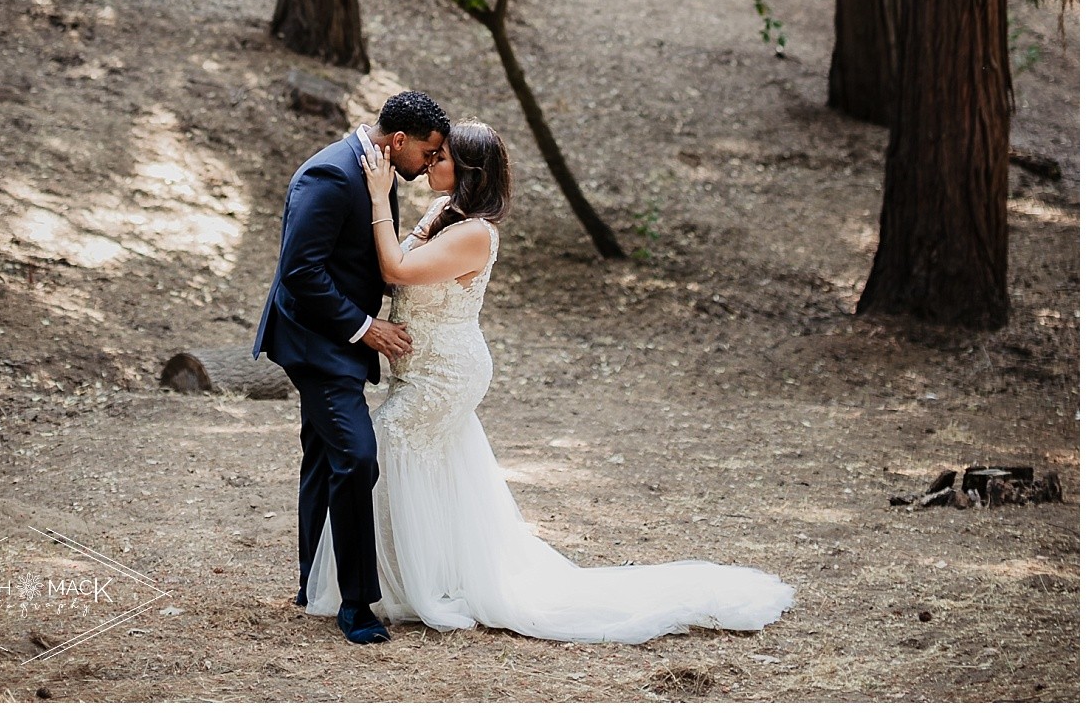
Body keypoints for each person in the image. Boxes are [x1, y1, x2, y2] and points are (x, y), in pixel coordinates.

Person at [299, 120, 794, 642]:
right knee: (426, 467)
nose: (429, 164)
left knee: (384, 447)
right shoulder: (446, 215)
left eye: (440, 157)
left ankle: (397, 586)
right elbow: (401, 259)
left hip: (445, 374)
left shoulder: (474, 232)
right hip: (420, 368)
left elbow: (396, 270)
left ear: (466, 170)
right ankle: (420, 577)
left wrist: (379, 196)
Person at [254, 89, 449, 644]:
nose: (430, 165)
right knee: (358, 457)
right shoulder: (331, 175)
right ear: (400, 140)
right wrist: (366, 329)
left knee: (322, 458)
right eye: (429, 155)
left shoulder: (378, 171)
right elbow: (300, 272)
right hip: (317, 345)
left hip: (335, 343)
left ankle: (313, 588)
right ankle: (357, 604)